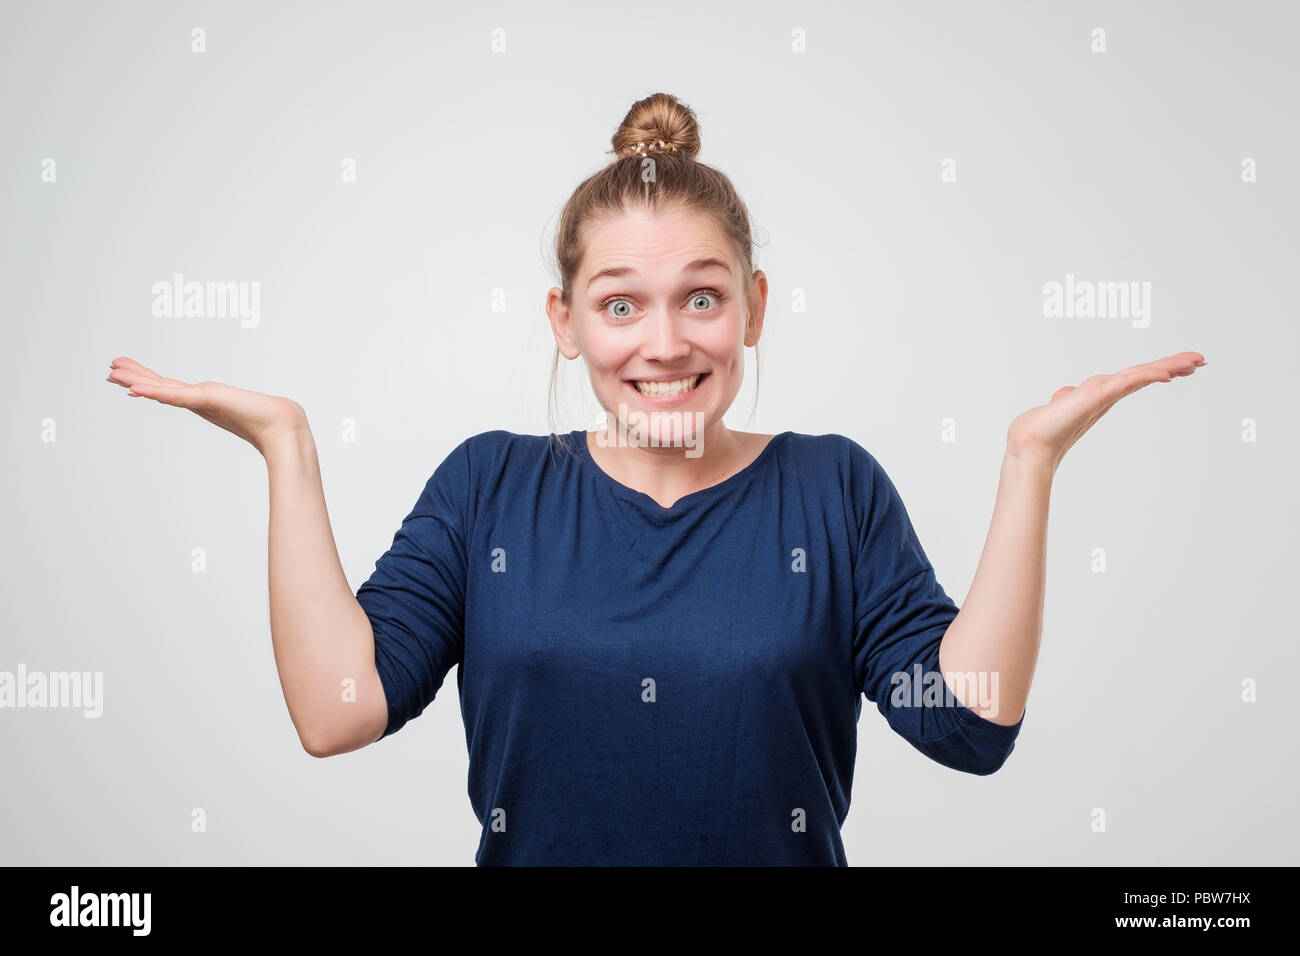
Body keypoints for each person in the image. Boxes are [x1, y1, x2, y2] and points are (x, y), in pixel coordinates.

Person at [106, 92, 1206, 865]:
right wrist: (287, 448)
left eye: (703, 296)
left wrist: (1031, 464)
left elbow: (965, 724)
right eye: (620, 302)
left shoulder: (832, 490)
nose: (665, 342)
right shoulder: (490, 487)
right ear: (567, 323)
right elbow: (337, 710)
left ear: (753, 308)